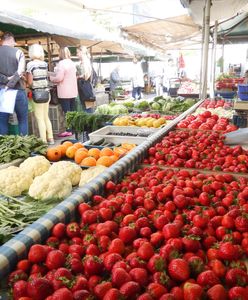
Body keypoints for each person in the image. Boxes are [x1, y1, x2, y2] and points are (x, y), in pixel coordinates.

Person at [0, 32, 28, 135]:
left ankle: (3, 148)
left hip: (2, 91)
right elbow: (20, 72)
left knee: (2, 121)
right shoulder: (18, 52)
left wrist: (5, 80)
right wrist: (10, 83)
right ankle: (23, 146)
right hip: (18, 90)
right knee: (22, 119)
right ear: (11, 40)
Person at [26, 44, 54, 144]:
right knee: (46, 116)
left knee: (39, 118)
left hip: (37, 93)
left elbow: (30, 82)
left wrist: (27, 84)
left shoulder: (30, 65)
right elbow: (46, 77)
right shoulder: (44, 64)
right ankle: (50, 138)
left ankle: (43, 140)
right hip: (46, 93)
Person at [50, 47, 77, 137]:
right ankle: (74, 128)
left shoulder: (61, 64)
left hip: (64, 91)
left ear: (60, 53)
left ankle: (69, 130)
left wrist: (51, 78)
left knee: (67, 112)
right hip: (73, 91)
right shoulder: (72, 63)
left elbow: (59, 78)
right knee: (72, 111)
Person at [76, 46, 95, 113]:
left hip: (86, 88)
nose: (77, 54)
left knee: (88, 109)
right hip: (85, 88)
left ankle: (90, 123)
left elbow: (87, 75)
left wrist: (79, 76)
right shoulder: (83, 61)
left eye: (78, 52)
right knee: (87, 108)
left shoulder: (86, 61)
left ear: (82, 52)